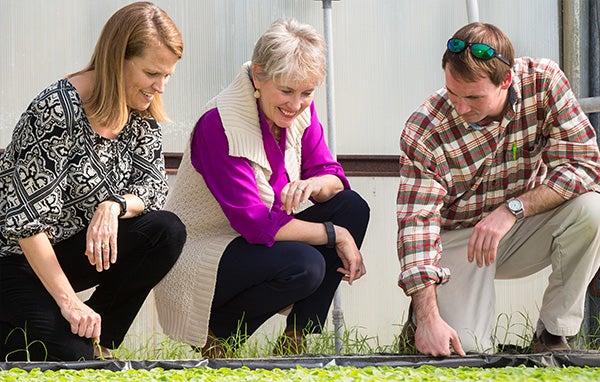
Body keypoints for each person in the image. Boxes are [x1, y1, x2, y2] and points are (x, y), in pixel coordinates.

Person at [154, 18, 370, 357]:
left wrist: (317, 183)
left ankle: (296, 338)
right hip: (205, 250)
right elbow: (255, 223)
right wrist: (336, 235)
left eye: (307, 93)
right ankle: (219, 336)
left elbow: (332, 174)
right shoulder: (219, 124)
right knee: (306, 264)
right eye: (286, 91)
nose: (296, 104)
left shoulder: (298, 109)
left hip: (254, 242)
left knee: (352, 206)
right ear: (257, 76)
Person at [396, 22, 600, 357]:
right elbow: (416, 227)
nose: (460, 108)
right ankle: (421, 323)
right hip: (457, 242)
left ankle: (553, 335)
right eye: (452, 93)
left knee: (592, 210)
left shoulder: (543, 82)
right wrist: (428, 315)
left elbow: (586, 166)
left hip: (520, 228)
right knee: (465, 350)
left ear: (506, 81)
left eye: (473, 97)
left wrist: (512, 209)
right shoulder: (425, 129)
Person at [0, 2, 186, 362]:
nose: (159, 87)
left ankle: (98, 339)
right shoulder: (56, 110)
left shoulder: (140, 113)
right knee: (71, 356)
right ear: (118, 58)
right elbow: (26, 225)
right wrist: (70, 304)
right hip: (16, 260)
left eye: (167, 76)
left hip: (69, 251)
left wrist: (113, 205)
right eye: (151, 73)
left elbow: (153, 189)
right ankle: (71, 338)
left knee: (166, 230)